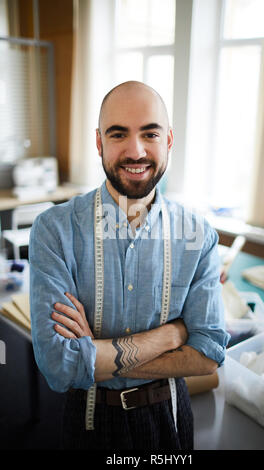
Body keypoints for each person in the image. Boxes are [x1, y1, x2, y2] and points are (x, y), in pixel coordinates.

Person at [29, 81, 230, 450]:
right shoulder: (54, 230)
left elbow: (208, 356)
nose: (135, 151)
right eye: (118, 134)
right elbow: (58, 366)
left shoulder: (199, 235)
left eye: (149, 133)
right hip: (88, 420)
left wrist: (94, 356)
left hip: (169, 421)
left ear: (168, 140)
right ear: (99, 142)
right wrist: (172, 335)